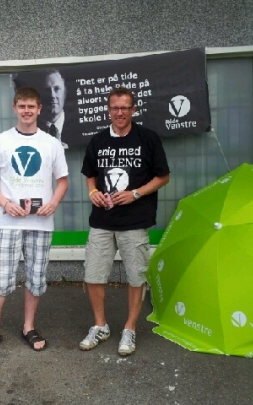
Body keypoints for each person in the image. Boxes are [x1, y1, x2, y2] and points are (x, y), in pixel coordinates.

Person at [0, 87, 69, 357]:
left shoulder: (51, 143)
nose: (26, 111)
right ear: (14, 108)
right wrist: (6, 203)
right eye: (22, 106)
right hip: (7, 223)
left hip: (40, 223)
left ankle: (28, 326)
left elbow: (63, 181)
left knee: (35, 277)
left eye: (31, 106)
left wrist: (54, 203)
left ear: (39, 109)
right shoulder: (0, 141)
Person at [79, 87, 170, 356]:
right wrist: (93, 193)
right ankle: (100, 326)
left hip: (135, 220)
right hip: (102, 221)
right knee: (93, 275)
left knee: (135, 277)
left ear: (133, 110)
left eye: (125, 108)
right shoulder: (97, 141)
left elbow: (163, 177)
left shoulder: (148, 139)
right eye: (115, 108)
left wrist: (135, 193)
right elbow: (90, 174)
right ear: (108, 110)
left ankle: (129, 328)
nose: (120, 112)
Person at [38, 69, 69, 149]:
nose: (52, 95)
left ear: (65, 92)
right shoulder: (31, 129)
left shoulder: (79, 128)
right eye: (47, 90)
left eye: (56, 89)